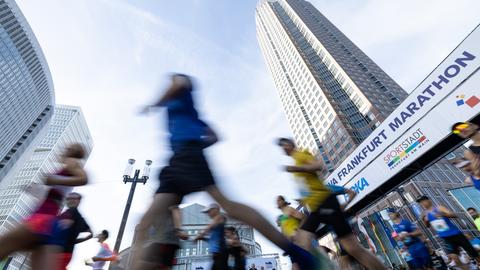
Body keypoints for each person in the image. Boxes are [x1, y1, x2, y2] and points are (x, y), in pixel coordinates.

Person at [132, 74, 318, 270]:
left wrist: (155, 104)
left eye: (172, 81)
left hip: (188, 154)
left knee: (229, 207)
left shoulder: (181, 91)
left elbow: (180, 83)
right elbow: (215, 137)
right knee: (145, 223)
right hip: (176, 161)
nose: (170, 82)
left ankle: (298, 253)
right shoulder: (192, 114)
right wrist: (198, 140)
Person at [277, 137, 386, 270]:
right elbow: (308, 187)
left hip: (326, 203)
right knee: (301, 244)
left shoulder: (301, 155)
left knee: (353, 249)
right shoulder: (295, 164)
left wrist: (297, 169)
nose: (283, 147)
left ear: (291, 144)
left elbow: (318, 166)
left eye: (284, 144)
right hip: (316, 209)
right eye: (281, 146)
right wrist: (303, 200)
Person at [0, 143, 88, 270]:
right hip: (50, 225)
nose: (66, 148)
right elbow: (56, 195)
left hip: (40, 221)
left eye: (69, 148)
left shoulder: (72, 161)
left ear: (74, 151)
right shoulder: (68, 166)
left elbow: (83, 179)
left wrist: (55, 180)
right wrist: (39, 190)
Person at [417, 195, 480, 269]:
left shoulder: (439, 208)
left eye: (423, 201)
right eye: (421, 202)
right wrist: (426, 221)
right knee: (454, 258)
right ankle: (469, 268)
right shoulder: (425, 214)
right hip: (445, 238)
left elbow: (453, 215)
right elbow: (427, 226)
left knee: (473, 253)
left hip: (456, 234)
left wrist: (442, 214)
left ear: (428, 200)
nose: (423, 203)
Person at [135, 205, 188, 270]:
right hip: (162, 240)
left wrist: (178, 230)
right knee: (159, 265)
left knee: (149, 263)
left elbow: (175, 210)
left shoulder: (168, 200)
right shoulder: (157, 206)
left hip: (166, 240)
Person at [51, 192, 93, 270]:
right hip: (67, 253)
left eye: (73, 198)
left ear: (78, 201)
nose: (70, 200)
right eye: (68, 199)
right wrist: (74, 240)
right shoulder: (81, 219)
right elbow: (91, 234)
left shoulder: (71, 212)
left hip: (58, 252)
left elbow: (58, 228)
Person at [194, 203, 228, 270]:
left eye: (209, 211)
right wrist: (203, 238)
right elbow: (212, 240)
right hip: (217, 254)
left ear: (216, 210)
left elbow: (209, 227)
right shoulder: (215, 225)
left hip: (220, 252)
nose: (208, 214)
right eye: (207, 212)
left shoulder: (220, 217)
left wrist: (200, 234)